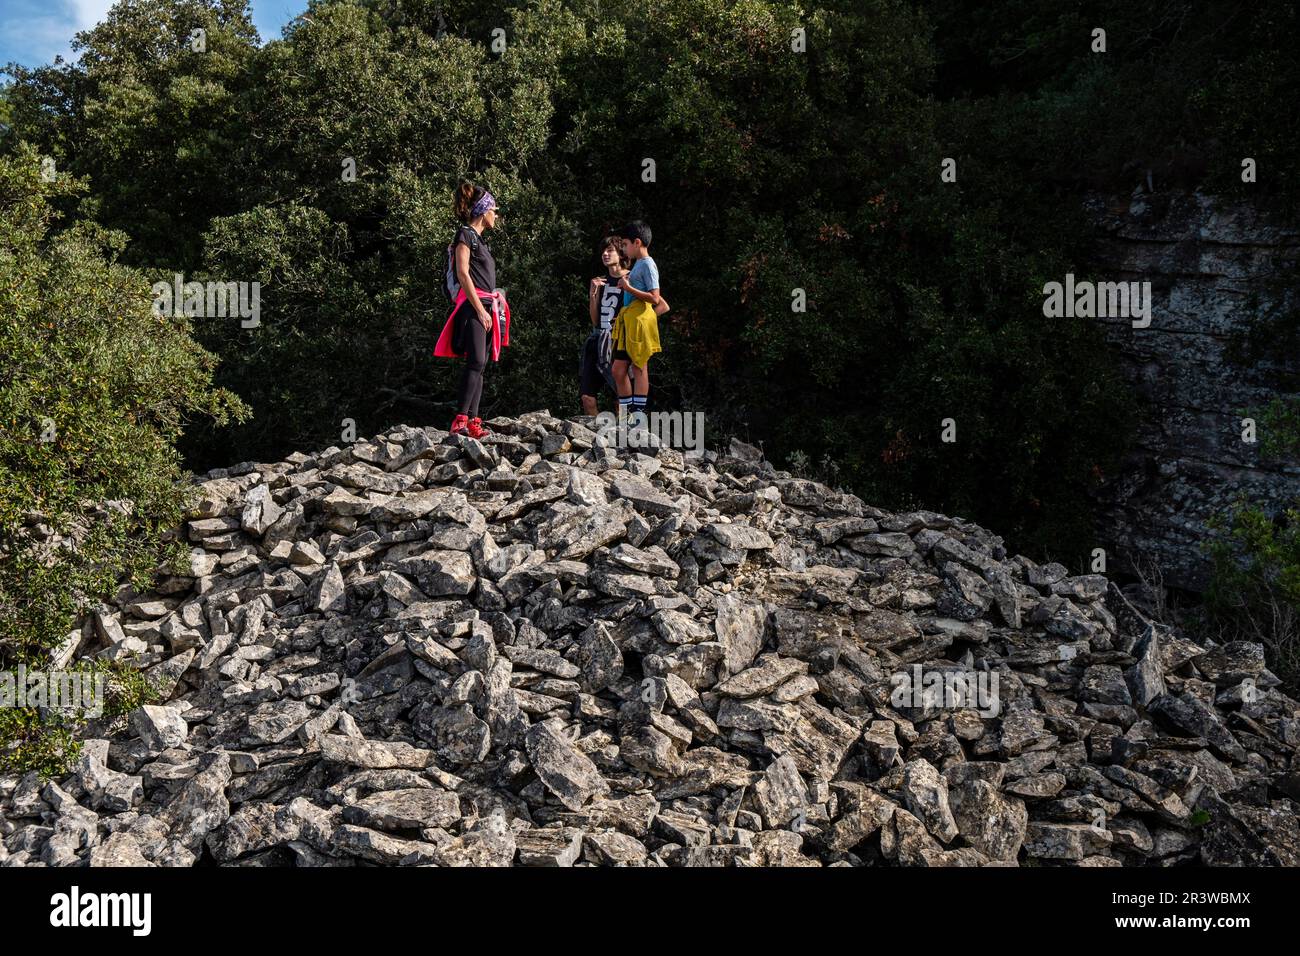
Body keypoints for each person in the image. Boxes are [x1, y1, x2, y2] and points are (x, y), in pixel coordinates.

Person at [434, 181, 509, 438]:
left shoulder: (481, 242)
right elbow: (463, 273)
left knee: (481, 363)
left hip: (487, 306)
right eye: (494, 210)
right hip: (474, 306)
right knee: (475, 360)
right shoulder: (465, 235)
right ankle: (460, 419)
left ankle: (474, 420)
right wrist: (480, 310)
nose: (496, 215)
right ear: (484, 210)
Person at [611, 220, 663, 428]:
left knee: (640, 365)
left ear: (637, 242)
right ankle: (627, 415)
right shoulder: (640, 265)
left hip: (639, 322)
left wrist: (628, 288)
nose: (624, 248)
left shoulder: (648, 264)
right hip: (628, 322)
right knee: (618, 369)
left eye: (625, 244)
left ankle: (637, 415)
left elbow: (655, 298)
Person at [580, 236, 627, 416]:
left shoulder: (632, 278)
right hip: (598, 340)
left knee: (620, 399)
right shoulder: (600, 281)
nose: (605, 254)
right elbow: (595, 320)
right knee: (587, 398)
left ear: (621, 253)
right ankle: (595, 441)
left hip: (620, 343)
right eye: (603, 251)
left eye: (610, 250)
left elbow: (655, 305)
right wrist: (593, 294)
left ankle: (622, 441)